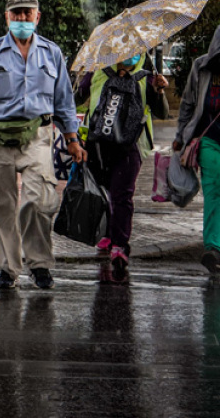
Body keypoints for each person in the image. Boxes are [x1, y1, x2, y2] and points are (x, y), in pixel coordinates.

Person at [0, 0, 85, 290]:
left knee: (37, 201)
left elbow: (64, 99)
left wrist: (72, 140)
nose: (22, 18)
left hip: (38, 135)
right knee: (1, 206)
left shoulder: (52, 53)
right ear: (7, 17)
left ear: (37, 16)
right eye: (17, 13)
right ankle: (8, 269)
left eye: (28, 13)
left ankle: (39, 264)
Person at [75, 53, 168, 271]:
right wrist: (81, 79)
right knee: (104, 191)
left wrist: (160, 89)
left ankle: (120, 245)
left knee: (122, 194)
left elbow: (162, 113)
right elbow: (76, 100)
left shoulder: (147, 77)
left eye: (136, 51)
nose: (130, 55)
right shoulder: (97, 73)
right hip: (98, 143)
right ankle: (107, 234)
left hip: (132, 146)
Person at [173, 25, 220, 274]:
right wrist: (180, 136)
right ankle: (213, 247)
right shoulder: (201, 67)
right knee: (214, 190)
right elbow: (188, 103)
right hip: (210, 140)